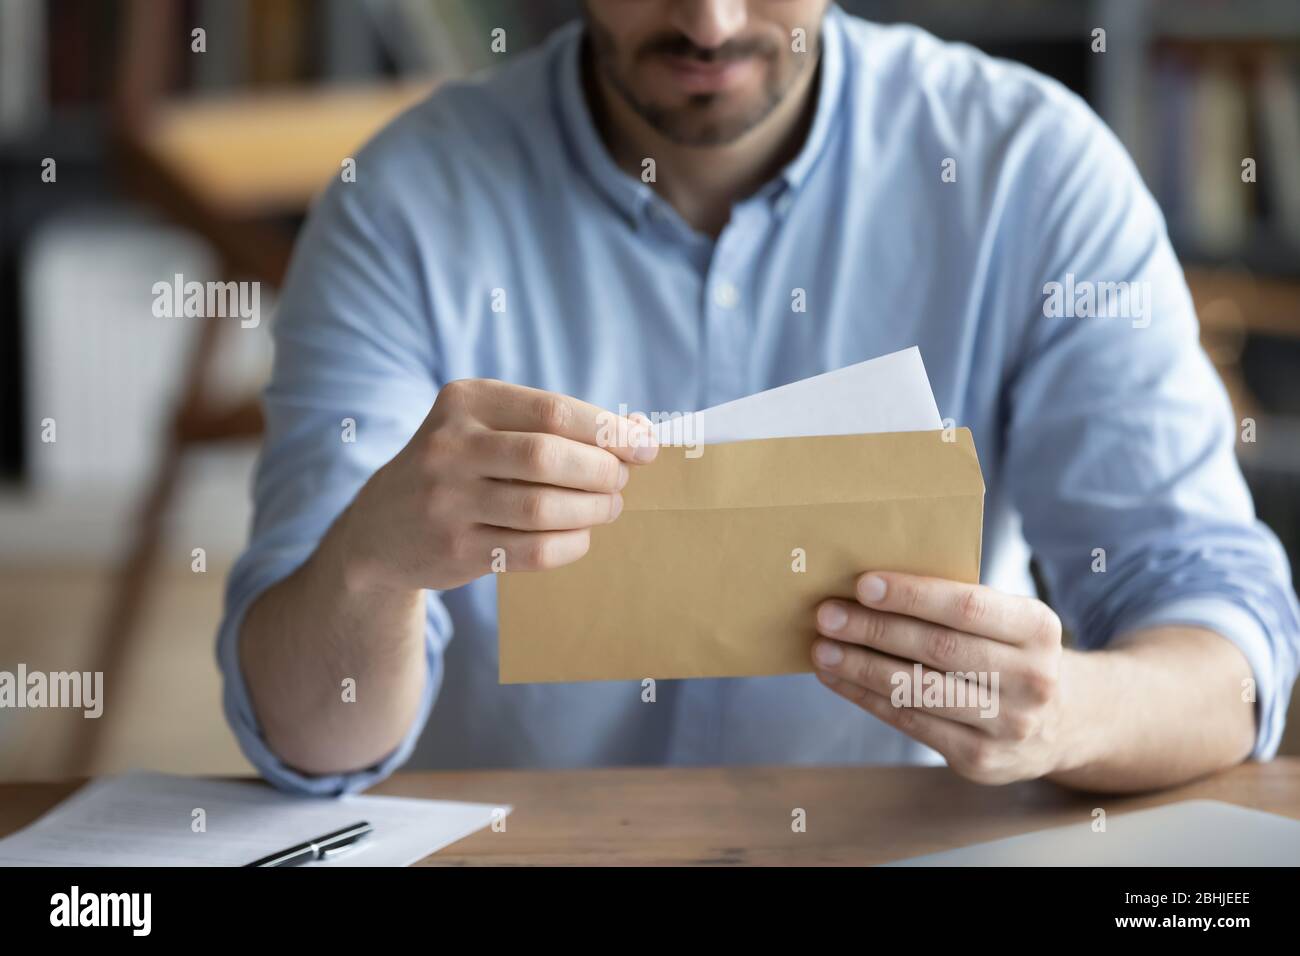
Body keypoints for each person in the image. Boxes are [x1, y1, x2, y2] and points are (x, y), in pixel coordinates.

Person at [217, 0, 1299, 796]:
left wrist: (1063, 712)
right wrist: (370, 562)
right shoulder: (401, 202)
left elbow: (1223, 645)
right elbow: (306, 736)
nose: (712, 22)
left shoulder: (1031, 171)